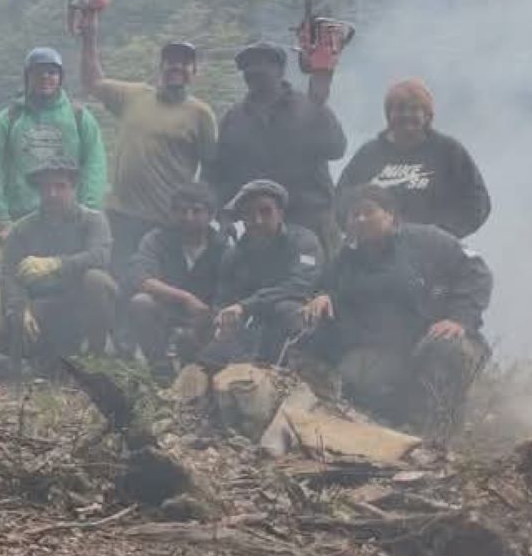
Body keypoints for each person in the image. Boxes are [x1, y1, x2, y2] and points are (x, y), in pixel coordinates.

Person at [303, 184, 491, 432]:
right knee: (356, 378)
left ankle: (438, 434)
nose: (361, 219)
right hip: (390, 351)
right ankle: (395, 423)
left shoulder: (428, 240)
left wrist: (460, 318)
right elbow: (325, 285)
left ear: (390, 214)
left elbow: (476, 271)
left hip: (440, 339)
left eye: (368, 211)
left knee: (445, 349)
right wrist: (322, 296)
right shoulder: (347, 259)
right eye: (354, 214)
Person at [78, 25, 218, 278]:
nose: (177, 67)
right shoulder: (134, 96)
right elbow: (93, 83)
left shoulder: (201, 114)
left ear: (194, 72)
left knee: (153, 287)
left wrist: (198, 217)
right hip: (120, 215)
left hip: (166, 222)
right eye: (171, 61)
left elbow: (211, 170)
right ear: (161, 66)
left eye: (185, 63)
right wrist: (89, 37)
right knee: (116, 282)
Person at [209, 42, 346, 246]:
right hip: (258, 225)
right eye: (247, 67)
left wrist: (320, 108)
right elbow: (221, 173)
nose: (253, 71)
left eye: (262, 64)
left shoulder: (308, 106)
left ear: (280, 70)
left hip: (311, 219)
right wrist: (223, 215)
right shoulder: (234, 119)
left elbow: (336, 149)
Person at [335, 79, 490, 238]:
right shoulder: (369, 154)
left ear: (427, 116)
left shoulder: (448, 151)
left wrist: (445, 233)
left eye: (415, 109)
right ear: (389, 115)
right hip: (378, 246)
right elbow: (340, 200)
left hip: (434, 246)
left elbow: (478, 202)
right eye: (399, 109)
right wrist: (362, 227)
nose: (406, 115)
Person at [0, 47, 107, 239]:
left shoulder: (79, 116)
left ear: (60, 77)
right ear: (28, 77)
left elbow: (95, 164)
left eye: (52, 72)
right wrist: (1, 217)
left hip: (70, 218)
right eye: (38, 72)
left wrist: (88, 211)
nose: (45, 77)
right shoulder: (9, 118)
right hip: (20, 218)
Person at [1, 159, 116, 360]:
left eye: (60, 186)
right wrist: (20, 308)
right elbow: (9, 274)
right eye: (46, 187)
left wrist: (56, 264)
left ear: (73, 187)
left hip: (82, 303)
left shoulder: (93, 220)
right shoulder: (22, 229)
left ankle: (97, 355)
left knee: (96, 279)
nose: (52, 193)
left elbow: (100, 255)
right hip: (44, 302)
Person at [200, 179, 323, 367]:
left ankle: (298, 369)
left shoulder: (303, 241)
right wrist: (221, 321)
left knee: (288, 310)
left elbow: (299, 286)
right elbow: (224, 296)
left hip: (295, 322)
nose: (258, 220)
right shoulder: (234, 254)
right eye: (249, 214)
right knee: (206, 361)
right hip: (250, 325)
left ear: (280, 213)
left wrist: (245, 306)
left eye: (266, 212)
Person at [124, 181, 228, 378]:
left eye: (196, 211)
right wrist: (185, 297)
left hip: (205, 318)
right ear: (172, 213)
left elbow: (230, 291)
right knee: (141, 303)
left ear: (211, 215)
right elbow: (142, 278)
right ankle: (159, 367)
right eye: (181, 211)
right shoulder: (157, 239)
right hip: (167, 312)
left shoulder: (223, 247)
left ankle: (203, 368)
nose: (188, 217)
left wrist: (207, 316)